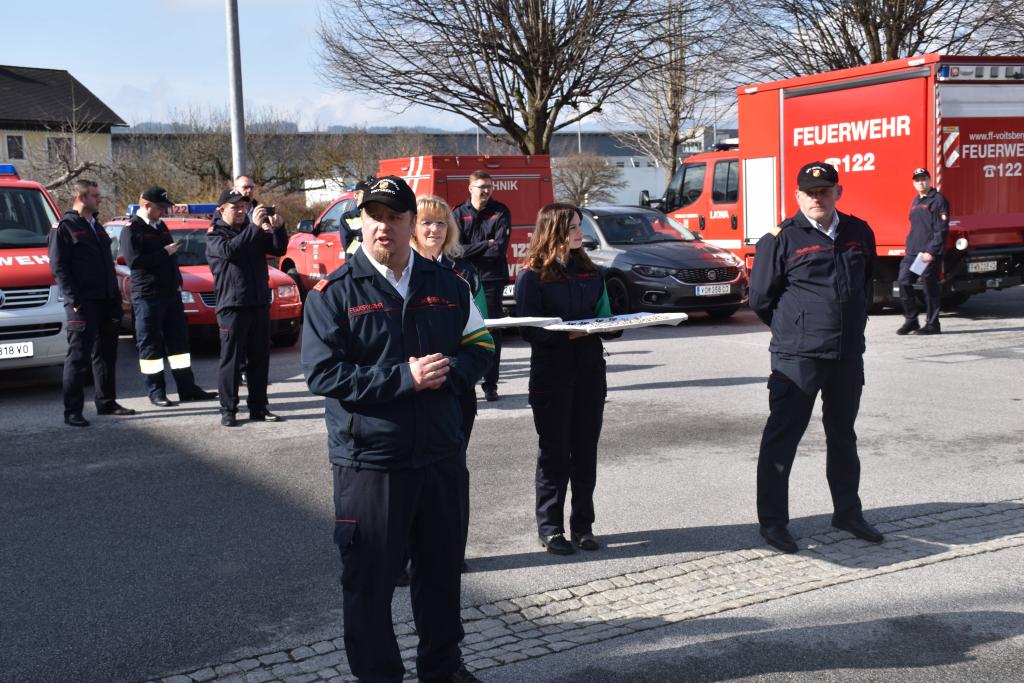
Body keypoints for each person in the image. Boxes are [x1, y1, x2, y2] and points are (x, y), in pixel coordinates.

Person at [302, 176, 493, 683]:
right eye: (375, 217)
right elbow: (322, 373)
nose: (383, 226)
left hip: (440, 454)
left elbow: (481, 346)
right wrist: (404, 378)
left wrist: (451, 373)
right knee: (369, 582)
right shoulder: (333, 293)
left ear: (412, 224)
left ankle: (443, 670)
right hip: (371, 462)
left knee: (441, 574)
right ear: (361, 221)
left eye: (395, 217)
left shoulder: (449, 285)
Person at [749, 161, 884, 554]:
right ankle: (773, 523)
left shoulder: (859, 232)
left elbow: (865, 283)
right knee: (782, 439)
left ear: (838, 192)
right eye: (809, 192)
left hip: (846, 354)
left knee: (843, 436)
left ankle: (848, 512)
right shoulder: (779, 239)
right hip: (798, 357)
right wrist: (797, 328)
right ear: (797, 196)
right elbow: (760, 299)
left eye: (824, 191)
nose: (817, 198)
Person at [515, 203, 617, 556]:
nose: (579, 233)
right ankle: (551, 528)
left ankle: (583, 526)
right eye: (573, 227)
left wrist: (607, 326)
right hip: (551, 375)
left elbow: (606, 318)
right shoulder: (532, 275)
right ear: (553, 229)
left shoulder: (592, 272)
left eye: (579, 226)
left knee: (585, 453)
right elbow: (527, 329)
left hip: (589, 372)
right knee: (554, 453)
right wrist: (565, 333)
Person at [410, 194, 490, 577]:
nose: (434, 229)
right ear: (411, 227)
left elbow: (480, 333)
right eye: (426, 222)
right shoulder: (397, 272)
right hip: (409, 391)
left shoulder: (464, 273)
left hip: (454, 392)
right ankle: (404, 556)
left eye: (441, 223)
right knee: (409, 477)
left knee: (452, 475)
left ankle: (451, 552)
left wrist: (452, 373)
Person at [49, 179, 135, 427]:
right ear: (81, 197)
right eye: (95, 196)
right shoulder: (64, 227)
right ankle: (73, 411)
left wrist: (115, 298)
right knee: (78, 358)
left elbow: (107, 265)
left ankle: (106, 402)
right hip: (83, 303)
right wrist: (74, 300)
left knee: (106, 354)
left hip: (106, 300)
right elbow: (59, 268)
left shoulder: (97, 227)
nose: (100, 200)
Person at [120, 186, 215, 406]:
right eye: (160, 207)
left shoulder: (160, 226)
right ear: (147, 206)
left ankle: (187, 388)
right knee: (151, 344)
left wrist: (177, 282)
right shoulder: (132, 230)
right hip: (148, 295)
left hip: (171, 293)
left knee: (179, 344)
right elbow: (135, 262)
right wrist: (164, 252)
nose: (163, 211)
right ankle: (156, 392)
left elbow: (171, 259)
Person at [205, 188, 288, 427]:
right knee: (231, 362)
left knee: (260, 360)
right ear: (222, 210)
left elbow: (278, 249)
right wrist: (253, 227)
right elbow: (229, 251)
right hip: (233, 306)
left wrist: (278, 228)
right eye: (235, 207)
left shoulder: (250, 230)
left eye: (244, 207)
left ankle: (258, 407)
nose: (241, 211)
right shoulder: (215, 233)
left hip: (258, 302)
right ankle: (228, 409)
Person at [453, 170, 511, 402]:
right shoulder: (459, 213)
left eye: (489, 186)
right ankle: (465, 381)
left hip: (491, 280)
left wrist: (473, 249)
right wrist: (485, 244)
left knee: (491, 331)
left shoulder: (501, 212)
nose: (486, 191)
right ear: (470, 188)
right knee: (461, 331)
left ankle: (491, 384)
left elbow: (498, 250)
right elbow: (455, 250)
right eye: (481, 186)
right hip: (463, 279)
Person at [897, 167, 949, 336]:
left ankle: (933, 324)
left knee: (929, 287)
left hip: (928, 253)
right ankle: (911, 320)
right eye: (918, 180)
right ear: (914, 183)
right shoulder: (916, 201)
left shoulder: (938, 200)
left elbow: (941, 230)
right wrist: (909, 246)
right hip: (913, 252)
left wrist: (931, 252)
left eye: (924, 179)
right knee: (904, 282)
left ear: (929, 180)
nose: (921, 182)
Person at [341, 176, 375, 254]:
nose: (368, 196)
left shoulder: (377, 215)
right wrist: (369, 251)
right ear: (355, 195)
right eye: (365, 193)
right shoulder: (347, 218)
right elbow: (348, 247)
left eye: (370, 193)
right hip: (356, 260)